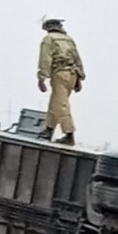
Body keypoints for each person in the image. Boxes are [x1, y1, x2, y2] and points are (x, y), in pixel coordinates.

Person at [36, 16, 85, 146]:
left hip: (60, 73)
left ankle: (69, 134)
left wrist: (42, 78)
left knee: (61, 105)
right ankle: (49, 129)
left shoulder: (49, 39)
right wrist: (79, 78)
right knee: (56, 102)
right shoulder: (69, 40)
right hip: (72, 74)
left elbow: (45, 60)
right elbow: (77, 59)